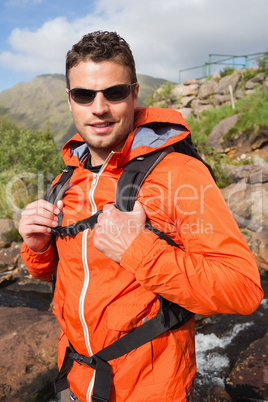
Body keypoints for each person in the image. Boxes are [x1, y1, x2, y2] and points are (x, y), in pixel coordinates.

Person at [19, 31, 263, 402]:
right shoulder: (65, 178)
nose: (98, 107)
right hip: (73, 381)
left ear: (134, 94)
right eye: (84, 94)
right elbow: (53, 275)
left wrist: (138, 249)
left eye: (114, 93)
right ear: (70, 101)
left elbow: (242, 291)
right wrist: (37, 249)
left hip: (150, 390)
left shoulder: (179, 174)